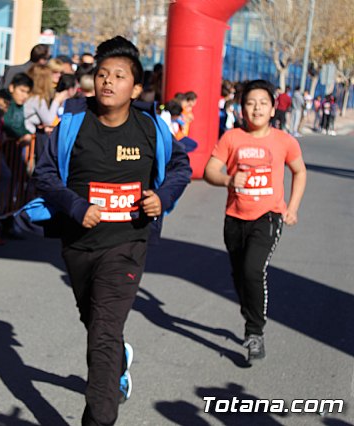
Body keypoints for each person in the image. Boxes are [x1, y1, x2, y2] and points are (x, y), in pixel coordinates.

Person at [33, 36, 191, 426]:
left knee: (103, 332)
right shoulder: (72, 122)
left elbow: (180, 167)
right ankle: (119, 360)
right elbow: (45, 174)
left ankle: (98, 418)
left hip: (128, 244)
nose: (107, 82)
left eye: (119, 76)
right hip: (79, 244)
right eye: (102, 74)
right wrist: (76, 206)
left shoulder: (150, 127)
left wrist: (163, 198)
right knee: (95, 323)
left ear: (135, 88)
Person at [203, 79, 307, 363]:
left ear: (273, 109)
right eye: (250, 103)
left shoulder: (284, 141)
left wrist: (292, 208)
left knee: (252, 270)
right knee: (239, 275)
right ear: (242, 108)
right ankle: (250, 313)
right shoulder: (231, 138)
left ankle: (255, 331)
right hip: (235, 217)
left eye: (263, 103)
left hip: (269, 216)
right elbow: (210, 169)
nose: (257, 108)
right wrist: (227, 179)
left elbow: (299, 172)